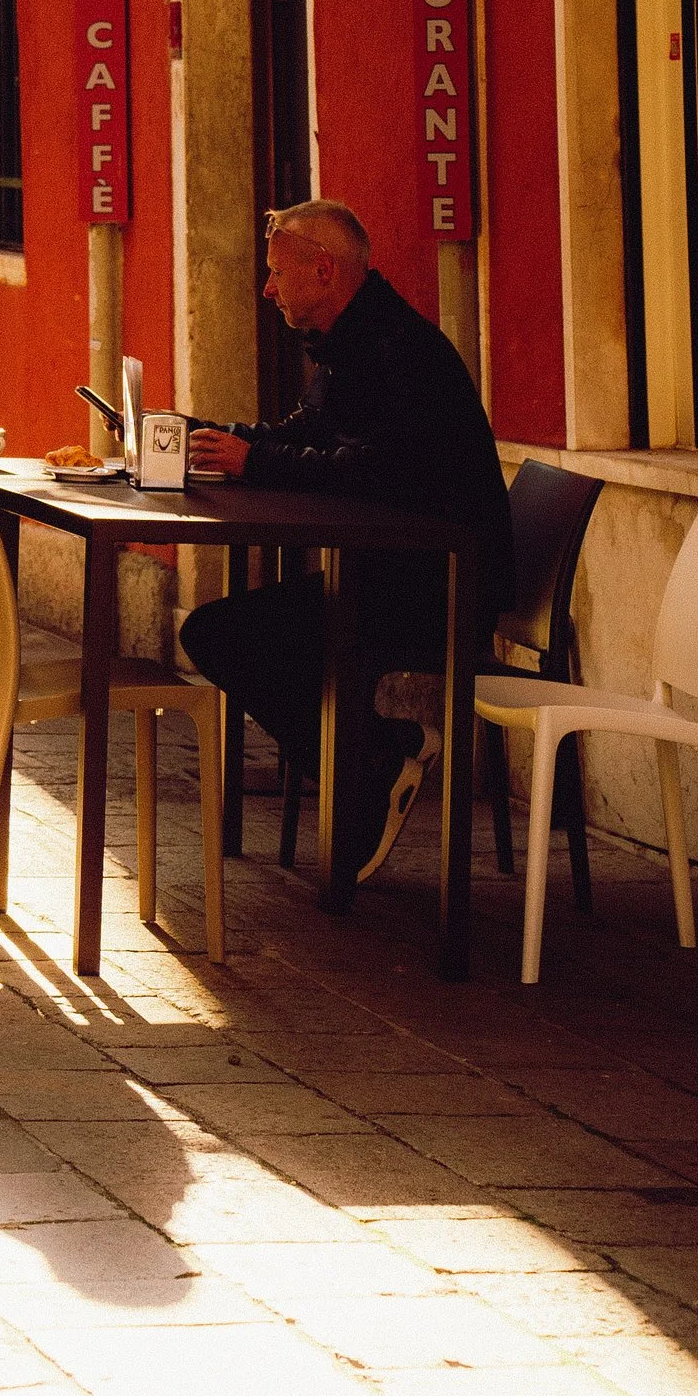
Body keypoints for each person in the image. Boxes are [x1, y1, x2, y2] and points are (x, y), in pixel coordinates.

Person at [178, 198, 513, 883]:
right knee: (225, 632)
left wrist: (256, 462)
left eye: (276, 273)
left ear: (324, 271)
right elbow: (307, 434)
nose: (267, 289)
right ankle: (372, 761)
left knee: (227, 635)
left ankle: (373, 764)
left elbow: (383, 471)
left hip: (440, 588)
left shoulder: (397, 350)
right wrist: (218, 439)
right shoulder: (353, 342)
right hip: (395, 574)